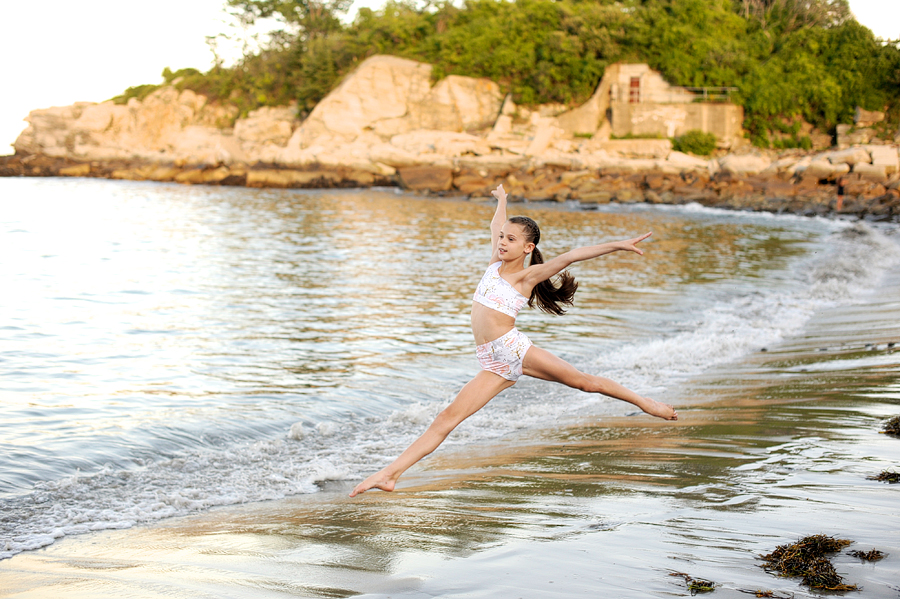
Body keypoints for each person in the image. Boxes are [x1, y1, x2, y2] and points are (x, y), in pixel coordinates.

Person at [350, 184, 677, 497]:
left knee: (585, 383)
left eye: (510, 239)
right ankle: (391, 474)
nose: (502, 242)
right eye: (502, 238)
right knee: (446, 419)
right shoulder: (494, 264)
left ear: (528, 248)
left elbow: (572, 256)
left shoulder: (525, 278)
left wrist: (618, 244)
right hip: (491, 362)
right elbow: (496, 223)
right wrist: (502, 199)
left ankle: (649, 404)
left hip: (512, 349)